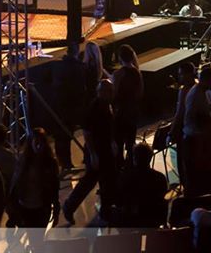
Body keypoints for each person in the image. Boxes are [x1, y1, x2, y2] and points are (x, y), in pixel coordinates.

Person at [62, 79, 118, 225]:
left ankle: (105, 210)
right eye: (109, 91)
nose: (112, 94)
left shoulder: (108, 105)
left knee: (106, 181)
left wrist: (112, 142)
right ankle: (69, 206)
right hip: (97, 151)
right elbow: (87, 132)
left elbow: (109, 127)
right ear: (101, 92)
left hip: (105, 149)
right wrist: (93, 154)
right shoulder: (94, 109)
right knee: (89, 181)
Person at [8, 128, 60, 229]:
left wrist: (56, 209)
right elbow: (15, 183)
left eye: (41, 143)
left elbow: (54, 186)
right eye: (36, 142)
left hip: (42, 207)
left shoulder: (50, 162)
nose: (39, 146)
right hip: (24, 207)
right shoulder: (23, 161)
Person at [182, 66, 211, 197]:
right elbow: (198, 118)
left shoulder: (202, 92)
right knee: (196, 179)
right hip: (195, 141)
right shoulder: (196, 95)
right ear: (207, 80)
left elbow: (207, 114)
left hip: (199, 140)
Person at [49, 42, 86, 171]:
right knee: (66, 135)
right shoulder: (79, 67)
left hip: (58, 105)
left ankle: (63, 162)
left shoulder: (57, 65)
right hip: (71, 106)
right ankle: (66, 163)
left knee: (60, 136)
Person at [115, 143, 168, 228]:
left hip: (131, 221)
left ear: (134, 159)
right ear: (150, 158)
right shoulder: (160, 177)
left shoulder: (125, 177)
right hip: (153, 220)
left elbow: (119, 200)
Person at [112, 44, 143, 166]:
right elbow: (140, 93)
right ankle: (131, 166)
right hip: (133, 112)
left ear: (120, 57)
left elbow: (113, 94)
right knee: (130, 143)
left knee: (119, 143)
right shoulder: (137, 72)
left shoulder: (118, 74)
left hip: (121, 112)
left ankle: (120, 167)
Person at [170, 62, 197, 183]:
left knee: (183, 160)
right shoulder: (198, 86)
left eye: (181, 74)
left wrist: (171, 131)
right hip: (195, 128)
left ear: (188, 74)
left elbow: (180, 112)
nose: (179, 77)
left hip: (186, 129)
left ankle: (185, 184)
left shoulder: (184, 90)